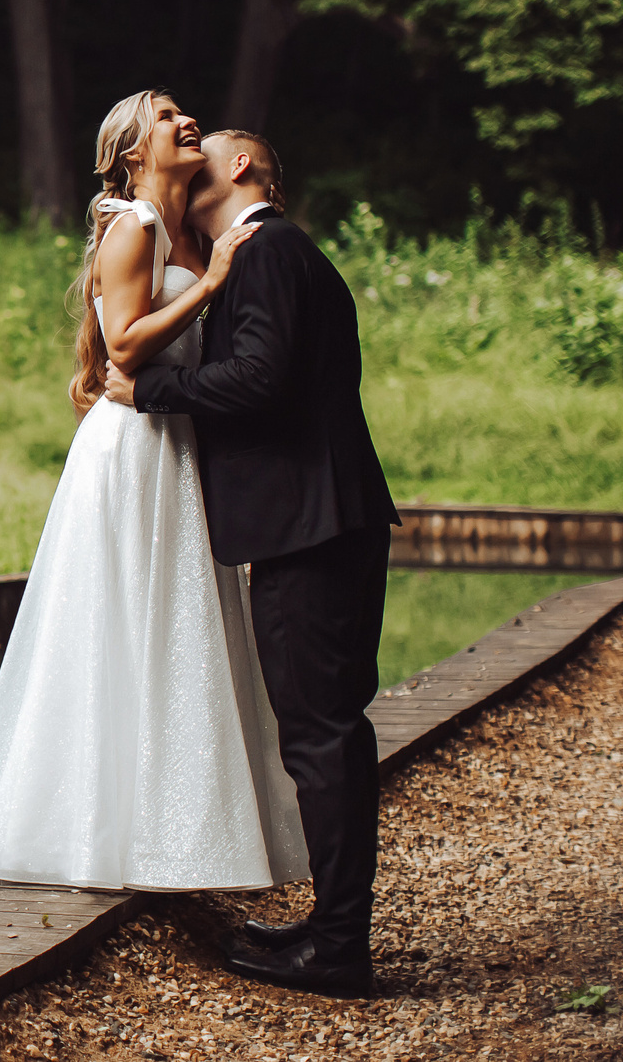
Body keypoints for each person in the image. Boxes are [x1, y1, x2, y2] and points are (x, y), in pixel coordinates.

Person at [0, 91, 307, 898]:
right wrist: (211, 282)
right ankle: (92, 831)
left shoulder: (177, 229)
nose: (188, 122)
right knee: (120, 618)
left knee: (174, 625)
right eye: (169, 115)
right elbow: (125, 345)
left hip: (174, 442)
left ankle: (173, 835)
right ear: (134, 150)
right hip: (133, 444)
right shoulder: (137, 226)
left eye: (189, 114)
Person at [106, 126, 399, 997]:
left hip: (310, 527)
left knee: (322, 735)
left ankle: (341, 948)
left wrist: (147, 390)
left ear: (240, 167)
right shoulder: (283, 251)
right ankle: (331, 926)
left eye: (211, 148)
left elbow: (258, 379)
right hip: (323, 520)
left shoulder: (267, 251)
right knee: (327, 731)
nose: (192, 158)